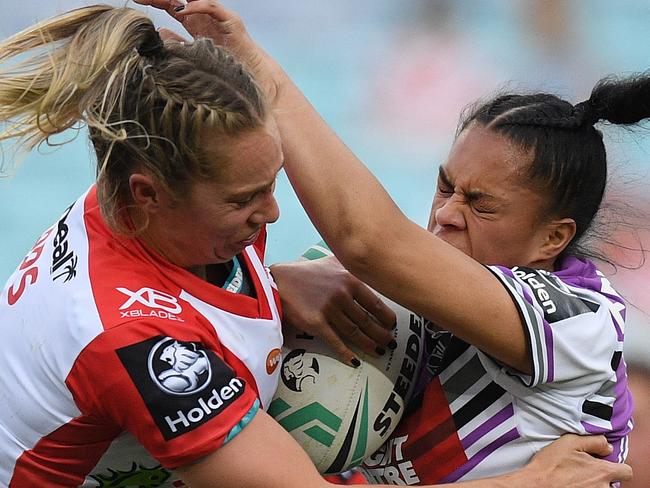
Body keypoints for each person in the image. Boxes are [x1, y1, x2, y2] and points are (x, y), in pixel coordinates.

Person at [0, 4, 632, 488]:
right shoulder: (133, 337)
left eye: (481, 205)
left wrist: (266, 285)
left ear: (554, 238)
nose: (443, 215)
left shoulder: (578, 324)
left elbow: (370, 240)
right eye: (445, 186)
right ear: (149, 194)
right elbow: (365, 242)